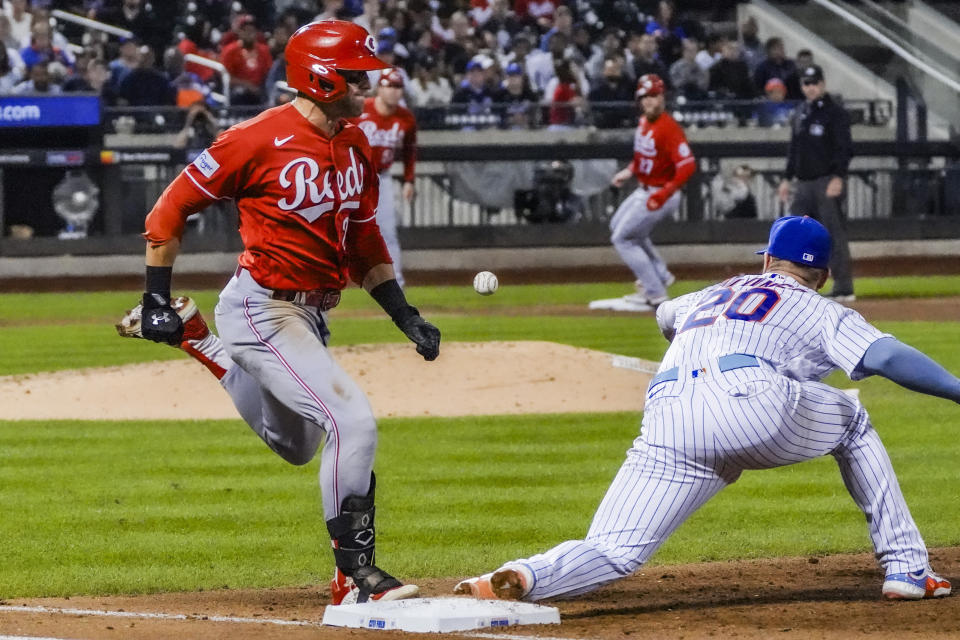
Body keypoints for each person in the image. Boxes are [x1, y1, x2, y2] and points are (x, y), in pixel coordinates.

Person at [455, 215, 956, 603]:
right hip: (751, 403)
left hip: (669, 411)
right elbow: (886, 356)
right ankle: (907, 568)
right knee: (853, 421)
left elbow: (665, 313)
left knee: (615, 548)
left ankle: (526, 574)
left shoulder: (714, 292)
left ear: (767, 260)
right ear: (822, 276)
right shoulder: (819, 306)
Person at [114, 20, 440, 607]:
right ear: (319, 78)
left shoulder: (356, 141)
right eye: (355, 75)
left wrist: (404, 313)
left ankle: (199, 341)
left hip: (309, 315)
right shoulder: (255, 138)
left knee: (296, 447)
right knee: (353, 422)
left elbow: (363, 240)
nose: (365, 86)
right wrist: (154, 296)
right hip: (262, 309)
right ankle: (355, 579)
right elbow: (171, 207)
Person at [608, 73, 695, 310]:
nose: (649, 101)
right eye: (645, 96)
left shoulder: (669, 128)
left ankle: (656, 292)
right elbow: (644, 157)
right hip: (645, 189)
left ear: (662, 97)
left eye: (653, 96)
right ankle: (660, 274)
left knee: (623, 238)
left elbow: (687, 166)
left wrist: (664, 193)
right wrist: (629, 171)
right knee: (618, 227)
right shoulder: (645, 121)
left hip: (661, 192)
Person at [778, 64, 855, 301]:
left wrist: (838, 176)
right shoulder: (801, 112)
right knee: (793, 233)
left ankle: (844, 285)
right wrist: (786, 178)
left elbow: (845, 148)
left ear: (822, 84)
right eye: (806, 84)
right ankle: (793, 282)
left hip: (825, 181)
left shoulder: (836, 113)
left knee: (832, 234)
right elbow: (794, 150)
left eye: (814, 83)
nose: (810, 88)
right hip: (803, 183)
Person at [353, 68, 417, 288]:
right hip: (353, 176)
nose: (394, 91)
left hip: (382, 178)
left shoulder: (406, 118)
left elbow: (410, 151)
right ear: (379, 88)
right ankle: (331, 281)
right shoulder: (361, 109)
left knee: (388, 233)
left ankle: (396, 281)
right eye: (389, 86)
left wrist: (409, 179)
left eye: (398, 87)